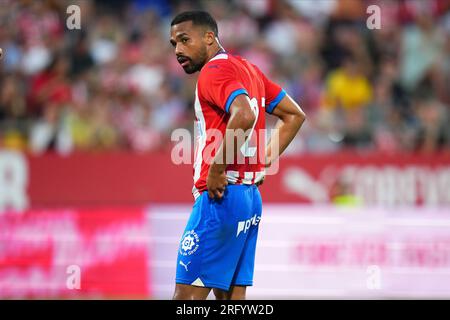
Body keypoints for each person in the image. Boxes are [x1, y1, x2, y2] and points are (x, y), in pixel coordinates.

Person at [169, 11, 306, 300]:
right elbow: (293, 115)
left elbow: (244, 114)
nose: (178, 50)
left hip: (221, 198)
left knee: (186, 297)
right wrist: (263, 160)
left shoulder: (213, 71)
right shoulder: (249, 69)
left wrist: (217, 170)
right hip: (249, 199)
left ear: (209, 38)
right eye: (174, 44)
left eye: (184, 40)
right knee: (231, 298)